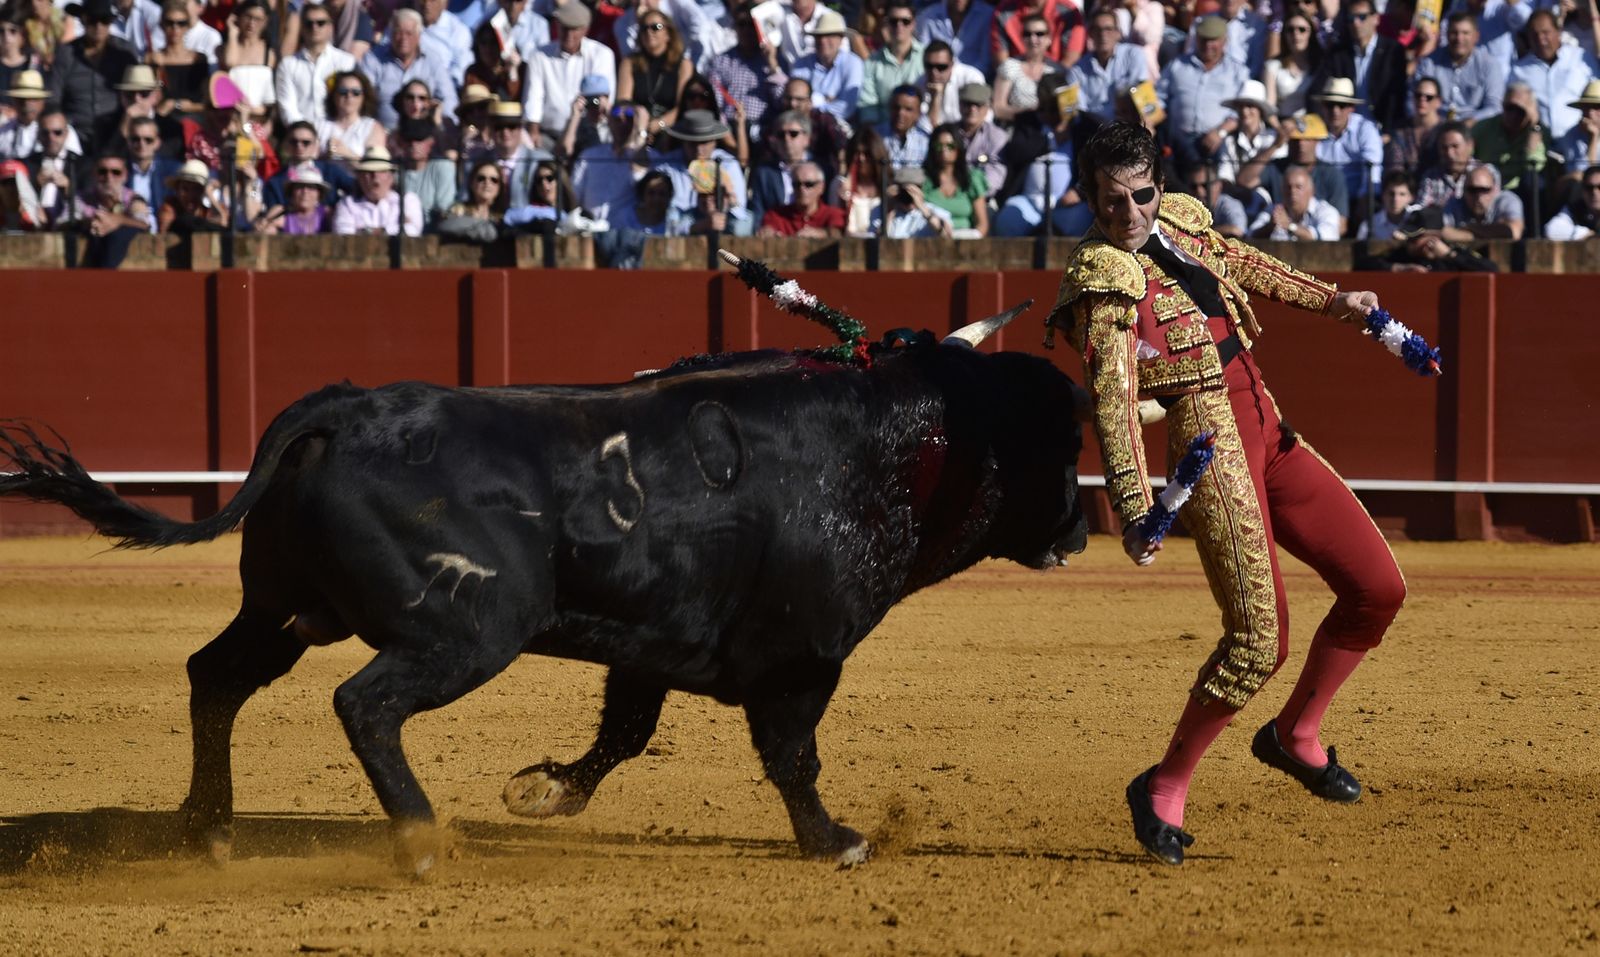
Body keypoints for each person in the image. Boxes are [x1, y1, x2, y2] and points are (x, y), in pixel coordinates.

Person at [1048, 121, 1403, 868]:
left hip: (1265, 423)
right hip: (1207, 445)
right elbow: (1113, 400)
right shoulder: (1102, 275)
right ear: (1089, 199)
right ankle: (1163, 785)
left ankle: (1294, 736)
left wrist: (1336, 302)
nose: (1133, 214)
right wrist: (1132, 505)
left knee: (1377, 587)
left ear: (1159, 183)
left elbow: (1246, 262)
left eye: (1142, 194)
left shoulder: (1180, 221)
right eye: (1113, 202)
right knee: (1256, 639)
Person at [1156, 15, 1247, 176]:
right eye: (1204, 39)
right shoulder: (1177, 65)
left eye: (1213, 40)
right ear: (1196, 39)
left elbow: (1242, 110)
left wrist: (1221, 132)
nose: (1208, 45)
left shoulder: (1237, 72)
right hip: (1179, 139)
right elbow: (1159, 98)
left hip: (1218, 141)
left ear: (1224, 41)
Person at [49, 0, 141, 154]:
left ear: (111, 22)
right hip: (73, 134)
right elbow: (54, 97)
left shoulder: (123, 53)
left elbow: (138, 93)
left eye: (104, 20)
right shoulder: (66, 53)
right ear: (83, 20)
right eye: (92, 20)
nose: (98, 27)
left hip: (117, 132)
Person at [522, 1, 616, 149]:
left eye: (574, 29)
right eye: (564, 28)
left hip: (587, 132)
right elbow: (534, 96)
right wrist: (533, 131)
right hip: (548, 134)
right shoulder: (539, 56)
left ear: (585, 29)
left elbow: (601, 97)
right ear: (557, 26)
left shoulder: (602, 54)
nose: (569, 35)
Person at [1316, 0, 1405, 134]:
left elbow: (1396, 98)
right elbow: (1318, 90)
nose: (1356, 23)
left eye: (1362, 17)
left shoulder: (1393, 51)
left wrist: (1389, 133)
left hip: (1381, 130)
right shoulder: (1338, 53)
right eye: (1351, 18)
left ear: (1376, 19)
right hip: (1343, 131)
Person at [360, 9, 457, 129]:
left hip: (425, 133)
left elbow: (448, 98)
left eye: (409, 33)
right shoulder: (373, 58)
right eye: (398, 32)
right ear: (390, 34)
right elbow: (363, 96)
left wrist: (447, 126)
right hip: (383, 132)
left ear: (418, 36)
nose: (403, 38)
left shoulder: (432, 60)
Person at [1312, 76, 1381, 226]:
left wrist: (1364, 200)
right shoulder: (1313, 130)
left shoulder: (1365, 129)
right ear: (1322, 106)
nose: (1335, 111)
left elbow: (1372, 169)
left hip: (1358, 199)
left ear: (1351, 107)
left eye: (1341, 105)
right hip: (1322, 202)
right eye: (1330, 105)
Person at [1415, 12, 1507, 123]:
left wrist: (1471, 121)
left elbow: (1495, 107)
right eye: (1454, 33)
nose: (1459, 38)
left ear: (1476, 37)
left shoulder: (1489, 65)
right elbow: (1412, 99)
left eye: (1465, 33)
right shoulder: (1429, 62)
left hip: (1473, 129)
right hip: (1434, 126)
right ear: (1447, 35)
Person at [706, 4, 785, 131]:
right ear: (735, 27)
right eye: (742, 24)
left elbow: (782, 101)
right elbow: (715, 102)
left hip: (765, 128)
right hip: (729, 127)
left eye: (752, 25)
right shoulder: (721, 61)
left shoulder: (776, 60)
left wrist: (772, 65)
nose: (747, 30)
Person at [275, 4, 355, 127]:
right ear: (301, 28)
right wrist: (306, 134)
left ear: (330, 27)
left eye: (321, 23)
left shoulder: (346, 62)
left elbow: (350, 105)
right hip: (300, 139)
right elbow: (288, 108)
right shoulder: (288, 65)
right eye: (309, 23)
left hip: (338, 134)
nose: (314, 27)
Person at [1353, 203, 1497, 271]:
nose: (1413, 243)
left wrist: (1449, 255)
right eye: (1412, 238)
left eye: (1419, 238)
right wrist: (1400, 268)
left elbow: (1490, 269)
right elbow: (1363, 265)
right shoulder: (1402, 256)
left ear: (1435, 238)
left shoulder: (1453, 254)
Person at [617, 9, 692, 137]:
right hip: (636, 128)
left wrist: (659, 124)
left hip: (672, 131)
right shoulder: (629, 63)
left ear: (668, 34)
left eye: (655, 27)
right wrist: (640, 124)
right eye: (644, 28)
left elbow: (683, 106)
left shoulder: (683, 65)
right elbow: (623, 102)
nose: (649, 32)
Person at [572, 98, 649, 222]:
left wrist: (640, 131)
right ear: (609, 122)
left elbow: (640, 178)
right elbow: (574, 194)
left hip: (625, 231)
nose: (622, 124)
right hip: (590, 227)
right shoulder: (589, 156)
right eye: (617, 119)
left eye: (628, 119)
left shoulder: (643, 157)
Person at [1070, 9, 1149, 122]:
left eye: (1108, 29)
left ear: (1118, 33)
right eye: (1097, 29)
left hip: (1129, 123)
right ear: (1090, 34)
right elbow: (1078, 109)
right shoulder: (1077, 70)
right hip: (1095, 130)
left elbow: (1140, 89)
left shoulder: (1134, 54)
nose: (1103, 34)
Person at [789, 10, 862, 126]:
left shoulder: (853, 63)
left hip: (839, 129)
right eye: (819, 36)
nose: (823, 40)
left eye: (829, 35)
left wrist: (814, 104)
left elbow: (846, 108)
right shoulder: (802, 62)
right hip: (803, 125)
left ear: (841, 38)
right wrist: (827, 100)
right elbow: (793, 99)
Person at [859, 0, 925, 126]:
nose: (899, 26)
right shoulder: (872, 62)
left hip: (920, 129)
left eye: (905, 21)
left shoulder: (926, 57)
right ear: (886, 23)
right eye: (894, 21)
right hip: (882, 131)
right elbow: (868, 107)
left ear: (913, 24)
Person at [332, 145, 422, 235]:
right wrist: (392, 228)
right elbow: (344, 235)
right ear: (360, 177)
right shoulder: (347, 204)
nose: (375, 176)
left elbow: (412, 231)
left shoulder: (407, 201)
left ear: (391, 177)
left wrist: (364, 231)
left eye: (382, 171)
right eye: (369, 172)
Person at [992, 13, 1064, 123]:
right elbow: (998, 108)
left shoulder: (1057, 70)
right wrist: (1029, 115)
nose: (1033, 39)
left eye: (1039, 34)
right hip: (1017, 129)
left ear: (1049, 39)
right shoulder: (1009, 66)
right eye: (1027, 34)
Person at [919, 121, 987, 235]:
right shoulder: (923, 179)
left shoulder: (972, 178)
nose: (944, 150)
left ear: (958, 148)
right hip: (930, 240)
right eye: (939, 146)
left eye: (950, 146)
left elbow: (982, 224)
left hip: (965, 240)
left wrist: (972, 240)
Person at [146, 0, 209, 118]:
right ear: (162, 25)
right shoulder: (152, 59)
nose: (175, 28)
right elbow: (151, 98)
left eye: (181, 23)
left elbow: (205, 102)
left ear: (188, 26)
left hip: (194, 121)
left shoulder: (198, 59)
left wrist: (176, 104)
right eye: (169, 23)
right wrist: (157, 70)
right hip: (162, 122)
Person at [317, 69, 387, 164]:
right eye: (343, 91)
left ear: (363, 97)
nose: (349, 96)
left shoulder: (372, 127)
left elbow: (375, 166)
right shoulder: (319, 126)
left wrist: (347, 154)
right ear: (334, 96)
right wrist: (325, 156)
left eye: (356, 92)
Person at [756, 158, 843, 235]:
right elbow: (767, 229)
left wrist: (822, 234)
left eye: (809, 184)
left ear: (821, 187)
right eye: (797, 184)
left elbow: (837, 233)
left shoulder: (833, 215)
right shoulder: (776, 216)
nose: (802, 189)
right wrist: (768, 232)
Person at [1441, 161, 1524, 239]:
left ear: (1495, 190)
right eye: (1472, 190)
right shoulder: (1455, 203)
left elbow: (1514, 232)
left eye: (1484, 190)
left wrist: (1468, 228)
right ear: (1463, 191)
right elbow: (1443, 232)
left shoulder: (1507, 200)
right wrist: (1490, 232)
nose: (1478, 196)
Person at [1214, 79, 1276, 184]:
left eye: (1250, 106)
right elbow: (1225, 176)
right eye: (1241, 106)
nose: (1244, 111)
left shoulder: (1273, 138)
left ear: (1260, 110)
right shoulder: (1229, 141)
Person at [1263, 9, 1320, 119]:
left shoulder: (1320, 66)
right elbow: (1269, 107)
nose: (1296, 34)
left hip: (1314, 127)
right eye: (1290, 29)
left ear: (1311, 33)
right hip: (1281, 125)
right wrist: (1280, 130)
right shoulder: (1273, 66)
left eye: (1302, 30)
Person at [832, 124, 888, 235]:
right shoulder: (839, 184)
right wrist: (843, 201)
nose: (862, 159)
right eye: (857, 153)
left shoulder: (887, 186)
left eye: (867, 154)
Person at [1258, 163, 1339, 238]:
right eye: (1288, 187)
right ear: (1282, 190)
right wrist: (1269, 227)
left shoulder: (1326, 211)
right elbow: (1250, 237)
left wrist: (1290, 226)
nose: (1292, 192)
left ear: (1311, 190)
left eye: (1298, 187)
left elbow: (1324, 238)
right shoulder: (1274, 210)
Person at [915, 0, 994, 77]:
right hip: (935, 78)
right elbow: (922, 56)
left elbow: (985, 62)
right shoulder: (928, 17)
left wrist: (965, 78)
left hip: (973, 81)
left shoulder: (987, 15)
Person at [956, 81, 1007, 197]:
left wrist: (972, 190)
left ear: (988, 107)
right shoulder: (948, 132)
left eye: (978, 105)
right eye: (968, 104)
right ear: (959, 105)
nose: (972, 109)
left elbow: (995, 176)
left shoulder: (997, 136)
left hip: (982, 196)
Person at [1385, 77, 1445, 175]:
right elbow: (1395, 168)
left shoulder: (1446, 131)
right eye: (1418, 95)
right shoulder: (1400, 130)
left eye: (1428, 97)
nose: (1422, 100)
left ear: (1438, 101)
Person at [438, 156, 508, 240]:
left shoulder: (504, 216)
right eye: (481, 178)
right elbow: (444, 226)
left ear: (499, 187)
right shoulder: (458, 209)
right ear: (472, 183)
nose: (487, 182)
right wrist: (482, 229)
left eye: (494, 180)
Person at [919, 40, 984, 126]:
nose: (934, 72)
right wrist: (936, 96)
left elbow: (979, 119)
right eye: (929, 66)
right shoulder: (919, 84)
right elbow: (927, 127)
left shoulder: (971, 78)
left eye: (941, 67)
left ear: (952, 64)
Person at [156, 155, 224, 231]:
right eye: (185, 189)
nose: (190, 195)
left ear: (203, 191)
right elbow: (165, 235)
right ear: (177, 190)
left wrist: (211, 198)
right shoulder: (169, 209)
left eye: (196, 189)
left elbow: (223, 223)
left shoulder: (208, 210)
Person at [1417, 120, 1475, 207]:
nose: (1449, 154)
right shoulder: (1430, 177)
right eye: (1444, 148)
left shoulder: (1486, 174)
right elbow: (1422, 210)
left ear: (1470, 145)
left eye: (1455, 146)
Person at [877, 84, 930, 168]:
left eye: (908, 109)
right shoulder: (876, 136)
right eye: (896, 107)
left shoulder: (926, 141)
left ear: (918, 113)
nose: (900, 113)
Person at [1357, 168, 1418, 240]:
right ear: (1383, 195)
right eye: (1391, 194)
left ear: (1411, 197)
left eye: (1402, 194)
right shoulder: (1368, 226)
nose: (1395, 199)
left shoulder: (1421, 217)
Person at [1544, 162, 1600, 239]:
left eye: (1599, 187)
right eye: (1589, 188)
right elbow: (1551, 229)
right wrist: (1586, 234)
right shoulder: (1576, 207)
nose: (1594, 192)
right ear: (1582, 190)